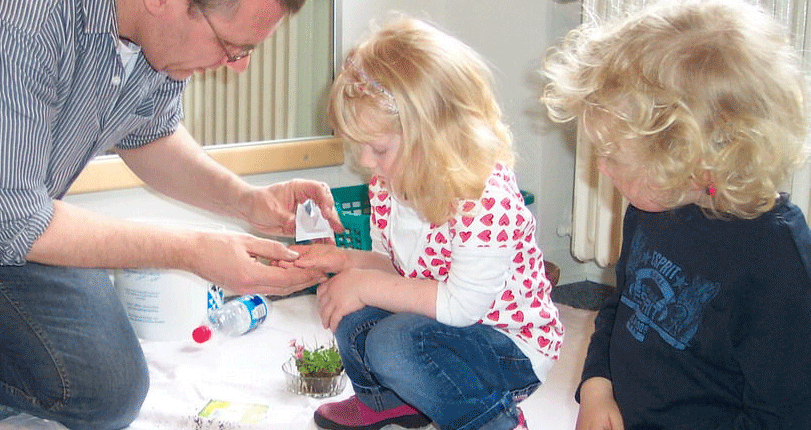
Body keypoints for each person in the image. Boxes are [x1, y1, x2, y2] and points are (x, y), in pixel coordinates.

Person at [0, 0, 344, 428]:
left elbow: (149, 131)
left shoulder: (152, 37)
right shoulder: (12, 15)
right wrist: (193, 250)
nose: (240, 66)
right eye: (232, 47)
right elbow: (10, 220)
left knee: (106, 388)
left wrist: (247, 201)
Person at [540, 0, 811, 428]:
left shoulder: (776, 261)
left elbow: (784, 414)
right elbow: (622, 306)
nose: (603, 168)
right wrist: (596, 385)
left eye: (614, 156)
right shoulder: (654, 206)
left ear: (693, 158)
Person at [286, 16, 563, 430]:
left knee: (394, 341)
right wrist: (344, 262)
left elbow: (460, 306)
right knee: (352, 313)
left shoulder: (484, 198)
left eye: (378, 148)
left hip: (507, 347)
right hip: (441, 328)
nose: (365, 161)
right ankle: (389, 402)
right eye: (360, 146)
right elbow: (393, 271)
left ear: (436, 137)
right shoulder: (389, 185)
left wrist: (362, 284)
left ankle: (493, 419)